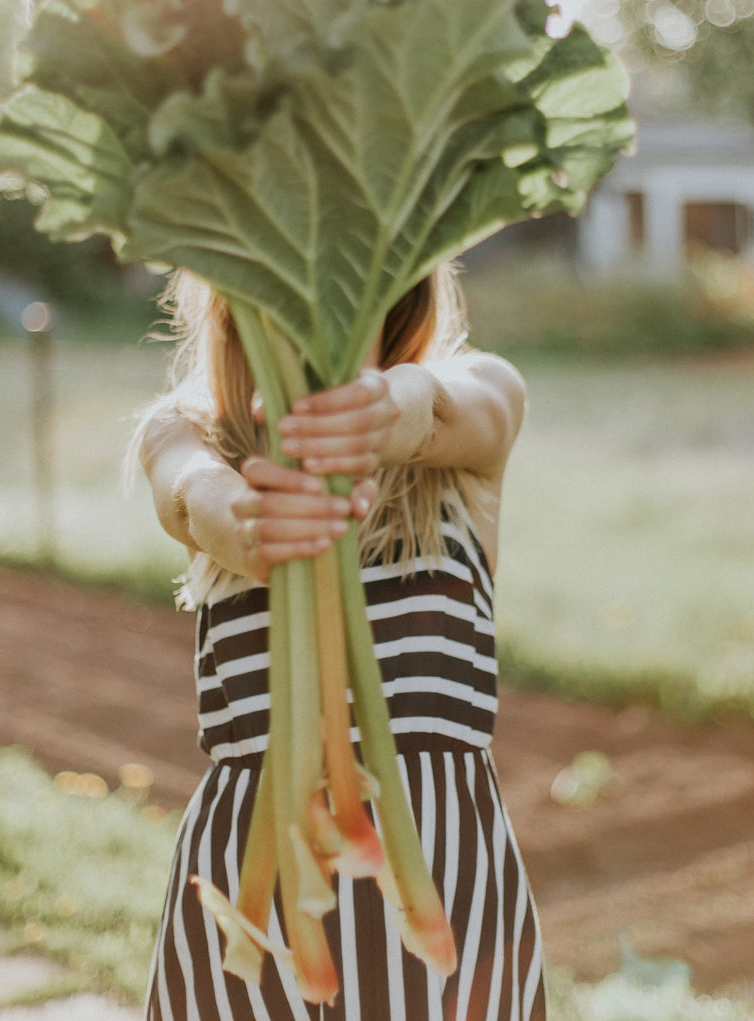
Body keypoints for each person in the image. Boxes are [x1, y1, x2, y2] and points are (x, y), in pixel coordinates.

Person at [134, 264, 546, 1020]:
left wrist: (376, 408)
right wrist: (262, 519)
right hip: (252, 904)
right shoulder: (193, 433)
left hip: (447, 891)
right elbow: (193, 497)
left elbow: (443, 408)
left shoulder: (471, 420)